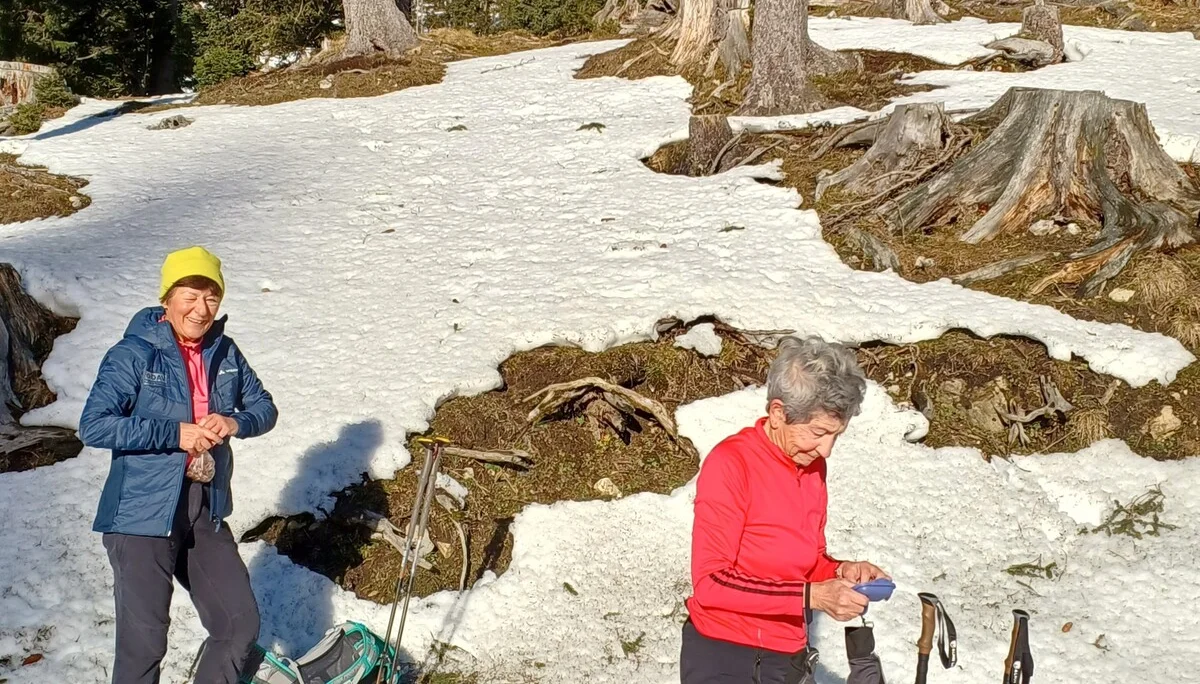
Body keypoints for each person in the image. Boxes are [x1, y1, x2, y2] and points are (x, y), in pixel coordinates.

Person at [80, 246, 278, 684]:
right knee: (145, 643)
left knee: (237, 625)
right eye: (191, 294)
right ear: (168, 298)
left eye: (212, 297)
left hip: (203, 509)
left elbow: (265, 408)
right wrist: (175, 433)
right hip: (140, 515)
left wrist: (234, 421)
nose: (201, 307)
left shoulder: (225, 353)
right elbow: (94, 426)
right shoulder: (133, 353)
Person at [680, 335, 889, 684]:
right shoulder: (731, 464)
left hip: (787, 656)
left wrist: (841, 572)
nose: (827, 450)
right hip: (726, 655)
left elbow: (806, 561)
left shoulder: (810, 466)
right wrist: (812, 595)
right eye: (819, 432)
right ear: (778, 413)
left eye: (836, 436)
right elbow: (711, 583)